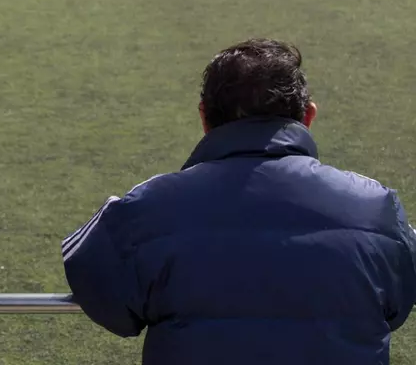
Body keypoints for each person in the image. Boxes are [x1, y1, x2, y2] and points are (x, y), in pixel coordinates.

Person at [63, 38, 416, 365]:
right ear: (308, 117)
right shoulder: (376, 208)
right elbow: (399, 303)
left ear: (204, 117)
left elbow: (102, 292)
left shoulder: (146, 208)